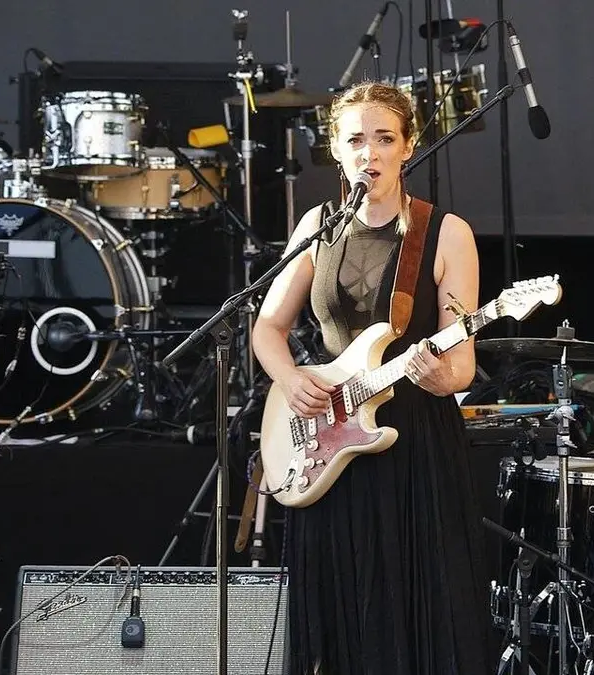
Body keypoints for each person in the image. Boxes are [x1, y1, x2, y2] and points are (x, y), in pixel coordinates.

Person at [251, 81, 490, 675]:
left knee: (413, 609)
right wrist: (290, 380)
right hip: (326, 438)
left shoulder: (445, 232)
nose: (370, 153)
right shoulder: (318, 226)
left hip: (411, 443)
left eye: (384, 139)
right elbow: (267, 328)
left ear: (407, 147)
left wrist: (437, 376)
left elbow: (460, 365)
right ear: (336, 150)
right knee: (337, 616)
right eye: (356, 140)